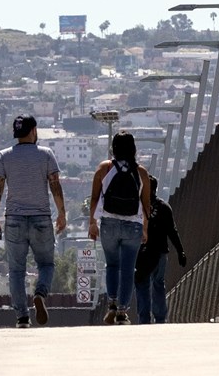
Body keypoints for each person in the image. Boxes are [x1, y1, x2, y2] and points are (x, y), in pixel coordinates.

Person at [0, 114, 67, 328]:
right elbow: (55, 185)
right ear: (33, 131)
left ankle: (22, 316)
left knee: (16, 270)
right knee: (46, 263)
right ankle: (40, 294)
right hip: (41, 217)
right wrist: (62, 213)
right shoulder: (46, 154)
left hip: (13, 218)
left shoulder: (4, 156)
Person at [88, 130, 150, 326]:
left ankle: (112, 304)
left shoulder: (104, 168)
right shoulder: (141, 173)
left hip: (109, 224)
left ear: (113, 148)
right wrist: (145, 229)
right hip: (133, 224)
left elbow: (95, 197)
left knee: (112, 265)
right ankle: (123, 312)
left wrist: (92, 222)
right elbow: (146, 204)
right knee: (128, 269)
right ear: (133, 149)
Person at [134, 175, 187, 324]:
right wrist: (180, 251)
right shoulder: (164, 207)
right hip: (160, 253)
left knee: (142, 284)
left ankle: (144, 318)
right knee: (158, 284)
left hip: (141, 255)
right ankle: (160, 318)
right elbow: (172, 231)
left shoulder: (136, 208)